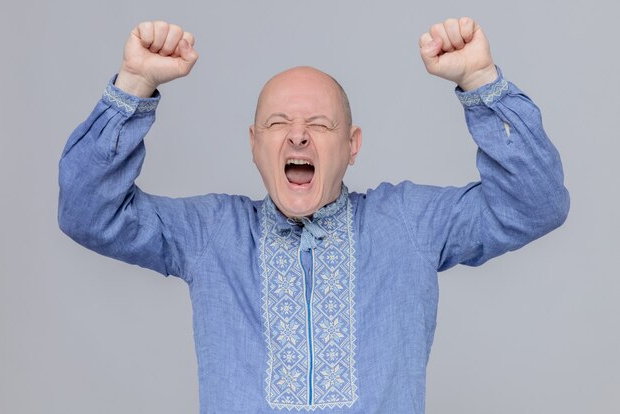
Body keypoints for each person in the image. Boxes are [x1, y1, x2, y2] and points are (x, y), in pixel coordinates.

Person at [58, 17, 569, 414]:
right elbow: (86, 211)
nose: (297, 135)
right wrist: (135, 83)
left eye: (319, 124)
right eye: (278, 122)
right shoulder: (211, 234)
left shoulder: (409, 223)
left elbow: (536, 203)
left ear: (352, 147)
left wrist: (481, 81)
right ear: (255, 146)